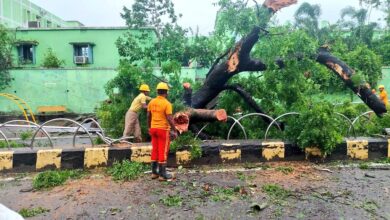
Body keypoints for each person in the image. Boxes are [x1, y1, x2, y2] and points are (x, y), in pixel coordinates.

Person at [147, 82, 177, 181]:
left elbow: (148, 116)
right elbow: (169, 117)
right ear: (166, 92)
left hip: (153, 129)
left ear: (157, 91)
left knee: (155, 149)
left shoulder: (151, 102)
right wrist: (174, 129)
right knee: (163, 151)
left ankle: (154, 173)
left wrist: (149, 127)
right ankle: (162, 174)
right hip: (163, 130)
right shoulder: (167, 103)